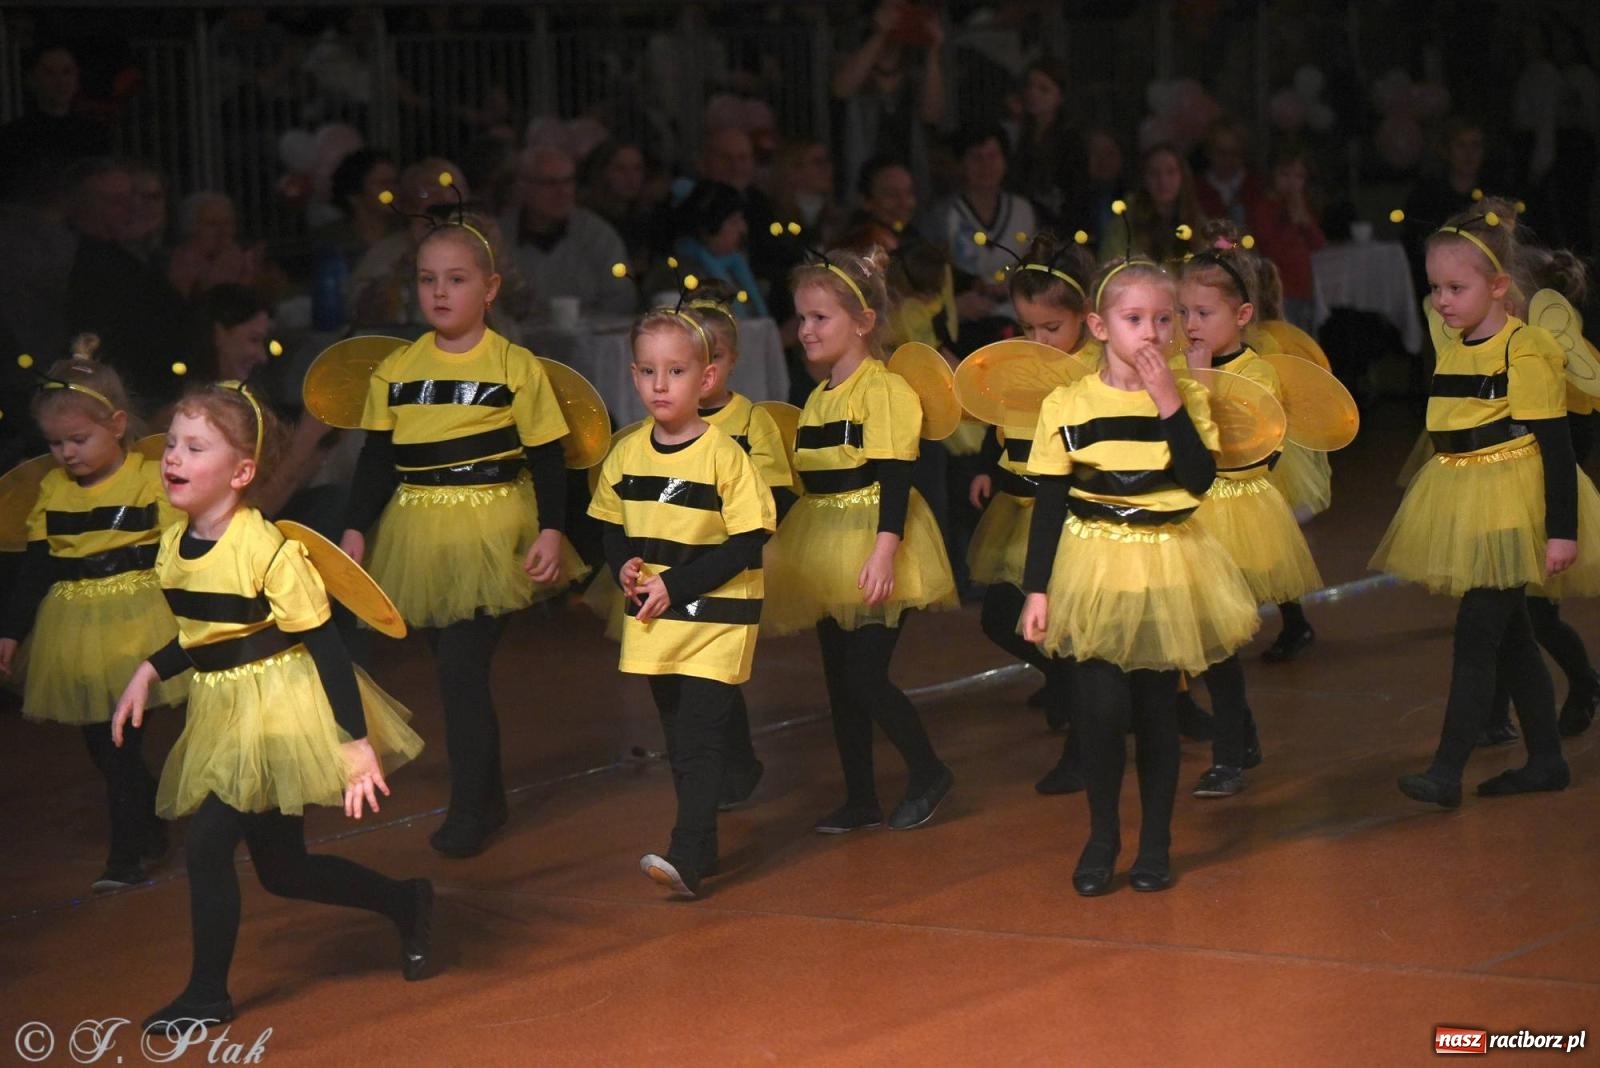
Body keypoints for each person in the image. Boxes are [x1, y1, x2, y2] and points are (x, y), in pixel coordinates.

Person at [113, 381, 430, 1032]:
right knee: (285, 871)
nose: (173, 456)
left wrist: (353, 740)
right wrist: (152, 667)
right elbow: (210, 633)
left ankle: (207, 995)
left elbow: (326, 646)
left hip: (281, 708)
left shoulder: (269, 548)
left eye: (195, 447)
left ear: (242, 472)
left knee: (205, 848)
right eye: (172, 442)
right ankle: (408, 902)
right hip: (226, 706)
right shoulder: (175, 546)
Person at [341, 210, 585, 857]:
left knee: (459, 671)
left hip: (492, 528)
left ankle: (472, 807)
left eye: (455, 279)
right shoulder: (398, 368)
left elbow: (547, 455)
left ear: (490, 288)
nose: (440, 293)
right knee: (455, 672)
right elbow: (376, 458)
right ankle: (489, 798)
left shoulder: (514, 364)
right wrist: (356, 528)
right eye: (427, 280)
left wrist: (554, 531)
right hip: (417, 532)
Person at [1019, 257, 1259, 894]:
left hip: (1165, 567)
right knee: (1099, 716)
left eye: (1163, 319)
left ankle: (1156, 843)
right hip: (1094, 569)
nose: (1150, 333)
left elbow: (1201, 481)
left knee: (1157, 713)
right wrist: (1036, 589)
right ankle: (1103, 837)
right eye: (1134, 320)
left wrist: (1170, 402)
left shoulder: (1188, 398)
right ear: (1100, 326)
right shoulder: (1067, 403)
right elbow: (1048, 505)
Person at [1372, 200, 1594, 807]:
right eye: (1435, 287)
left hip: (1512, 501)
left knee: (1476, 636)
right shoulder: (1455, 339)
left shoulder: (1525, 350)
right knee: (1514, 636)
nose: (1442, 300)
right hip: (1466, 491)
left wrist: (1560, 532)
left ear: (1499, 287)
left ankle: (1446, 772)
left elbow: (1555, 448)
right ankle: (1546, 759)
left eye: (1456, 287)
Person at [763, 247, 958, 833]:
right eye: (801, 318)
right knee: (838, 679)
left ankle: (928, 771)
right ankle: (860, 796)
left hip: (876, 540)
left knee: (864, 676)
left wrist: (884, 549)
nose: (806, 330)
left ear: (864, 322)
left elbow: (897, 474)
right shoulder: (819, 397)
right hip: (825, 540)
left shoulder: (885, 390)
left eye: (821, 317)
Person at [588, 305, 777, 897]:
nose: (660, 385)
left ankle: (688, 853)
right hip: (656, 619)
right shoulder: (625, 453)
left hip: (717, 618)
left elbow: (749, 539)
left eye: (675, 372)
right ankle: (705, 847)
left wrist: (680, 583)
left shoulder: (725, 455)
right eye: (647, 372)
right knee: (679, 737)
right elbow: (609, 527)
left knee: (698, 736)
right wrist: (623, 565)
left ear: (707, 379)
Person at [0, 339, 184, 892]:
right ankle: (147, 825)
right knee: (102, 747)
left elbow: (178, 551)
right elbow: (36, 566)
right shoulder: (53, 490)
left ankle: (127, 856)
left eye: (79, 439)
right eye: (55, 443)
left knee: (119, 741)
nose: (67, 454)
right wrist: (10, 631)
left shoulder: (149, 479)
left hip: (139, 621)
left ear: (118, 425)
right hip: (75, 628)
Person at [1178, 246, 1322, 797]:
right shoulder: (1185, 365)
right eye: (1184, 312)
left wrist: (1198, 385)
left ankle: (1230, 754)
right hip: (1191, 510)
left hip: (1237, 509)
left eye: (1204, 314)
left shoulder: (1257, 371)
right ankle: (1243, 740)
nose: (1191, 325)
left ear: (1241, 317)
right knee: (1209, 639)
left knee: (1217, 636)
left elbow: (1240, 448)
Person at [966, 233, 1094, 793]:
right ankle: (1064, 685)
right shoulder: (1025, 363)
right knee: (1001, 613)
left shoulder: (1093, 374)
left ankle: (1085, 745)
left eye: (1051, 329)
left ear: (1086, 319)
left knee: (1067, 630)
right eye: (1028, 328)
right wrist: (988, 466)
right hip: (1020, 508)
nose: (1037, 341)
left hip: (1072, 517)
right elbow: (1003, 417)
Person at [831, 0, 946, 204]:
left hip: (909, 179)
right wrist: (879, 35)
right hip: (860, 180)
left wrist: (933, 50)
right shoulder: (851, 57)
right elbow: (841, 89)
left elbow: (931, 113)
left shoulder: (915, 69)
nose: (897, 17)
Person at [501, 144, 635, 317]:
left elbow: (622, 298)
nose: (562, 192)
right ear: (522, 187)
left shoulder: (597, 235)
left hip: (588, 339)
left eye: (568, 181)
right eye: (549, 183)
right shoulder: (500, 237)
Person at [1246, 146, 1326, 331]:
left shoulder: (1301, 206)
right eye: (1285, 175)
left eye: (1298, 176)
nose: (1292, 183)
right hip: (1279, 292)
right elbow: (1270, 248)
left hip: (1304, 289)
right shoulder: (1264, 207)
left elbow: (1318, 243)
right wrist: (1289, 218)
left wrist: (1303, 219)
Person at [669, 181, 769, 318]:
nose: (743, 228)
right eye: (734, 222)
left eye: (742, 220)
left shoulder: (737, 264)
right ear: (708, 227)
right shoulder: (681, 272)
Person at [1099, 145, 1205, 266]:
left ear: (1183, 176)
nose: (1163, 181)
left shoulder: (1198, 224)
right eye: (1154, 173)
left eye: (1171, 172)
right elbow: (1110, 269)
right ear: (1143, 179)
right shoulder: (1123, 227)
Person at [1012, 59, 1087, 226]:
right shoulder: (1021, 136)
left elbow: (1075, 195)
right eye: (1030, 87)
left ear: (1059, 96)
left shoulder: (1070, 141)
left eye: (1043, 89)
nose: (1033, 94)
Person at [166, 192, 265, 299]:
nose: (223, 231)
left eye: (228, 223)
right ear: (192, 228)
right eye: (213, 224)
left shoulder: (243, 257)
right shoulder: (181, 262)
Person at [1192, 117, 1264, 227]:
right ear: (1209, 152)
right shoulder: (1196, 189)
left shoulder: (1257, 186)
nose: (1228, 160)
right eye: (1221, 153)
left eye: (1234, 153)